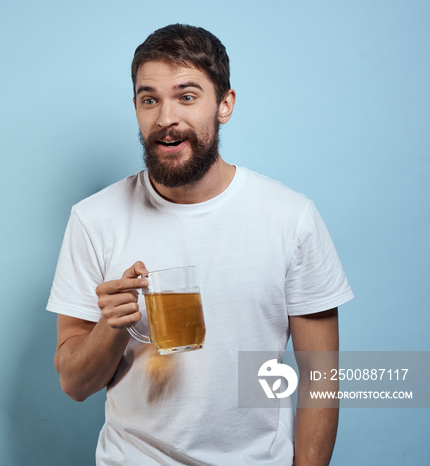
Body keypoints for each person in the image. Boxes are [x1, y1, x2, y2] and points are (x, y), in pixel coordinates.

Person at [47, 24, 353, 466]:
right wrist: (110, 327)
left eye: (186, 96)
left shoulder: (291, 218)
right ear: (135, 107)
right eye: (149, 99)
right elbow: (74, 385)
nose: (166, 117)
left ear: (224, 104)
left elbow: (321, 376)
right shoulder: (94, 219)